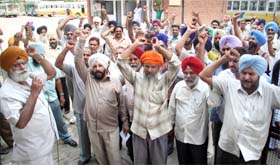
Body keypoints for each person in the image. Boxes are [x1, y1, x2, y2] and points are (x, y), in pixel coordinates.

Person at [199, 51, 280, 164]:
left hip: (251, 154)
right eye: (244, 73)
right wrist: (224, 58)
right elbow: (203, 75)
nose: (246, 77)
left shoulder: (270, 92)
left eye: (251, 74)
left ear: (259, 75)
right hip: (227, 149)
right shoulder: (230, 85)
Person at [117, 38, 180, 164]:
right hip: (139, 131)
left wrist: (159, 48)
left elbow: (176, 64)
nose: (149, 70)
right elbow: (121, 62)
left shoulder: (165, 80)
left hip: (158, 131)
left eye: (153, 67)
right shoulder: (136, 78)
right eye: (146, 66)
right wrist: (134, 45)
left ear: (160, 66)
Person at [74, 29, 128, 165]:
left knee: (114, 158)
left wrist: (125, 122)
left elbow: (121, 104)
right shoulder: (88, 78)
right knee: (100, 158)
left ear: (106, 67)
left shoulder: (115, 81)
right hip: (93, 127)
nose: (97, 68)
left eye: (100, 66)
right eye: (95, 66)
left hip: (111, 128)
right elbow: (77, 61)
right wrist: (81, 41)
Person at [0, 46, 58, 164]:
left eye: (23, 63)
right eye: (16, 65)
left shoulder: (28, 77)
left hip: (46, 142)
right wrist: (34, 93)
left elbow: (51, 73)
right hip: (33, 150)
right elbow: (20, 123)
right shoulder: (6, 93)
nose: (22, 68)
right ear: (8, 69)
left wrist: (38, 57)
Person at [27, 43, 78, 148]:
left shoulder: (49, 64)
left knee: (59, 120)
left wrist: (62, 95)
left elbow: (57, 79)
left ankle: (66, 137)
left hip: (52, 97)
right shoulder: (28, 65)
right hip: (38, 100)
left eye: (39, 55)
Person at [55, 40, 92, 164]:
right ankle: (84, 156)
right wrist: (66, 49)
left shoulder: (98, 67)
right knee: (83, 135)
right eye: (83, 55)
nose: (86, 57)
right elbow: (58, 63)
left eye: (88, 55)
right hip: (81, 109)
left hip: (96, 110)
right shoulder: (74, 69)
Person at [169, 56, 209, 164]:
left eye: (191, 73)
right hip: (181, 136)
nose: (188, 76)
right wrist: (170, 127)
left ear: (198, 72)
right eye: (185, 73)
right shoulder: (178, 87)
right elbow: (172, 109)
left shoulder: (205, 89)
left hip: (198, 138)